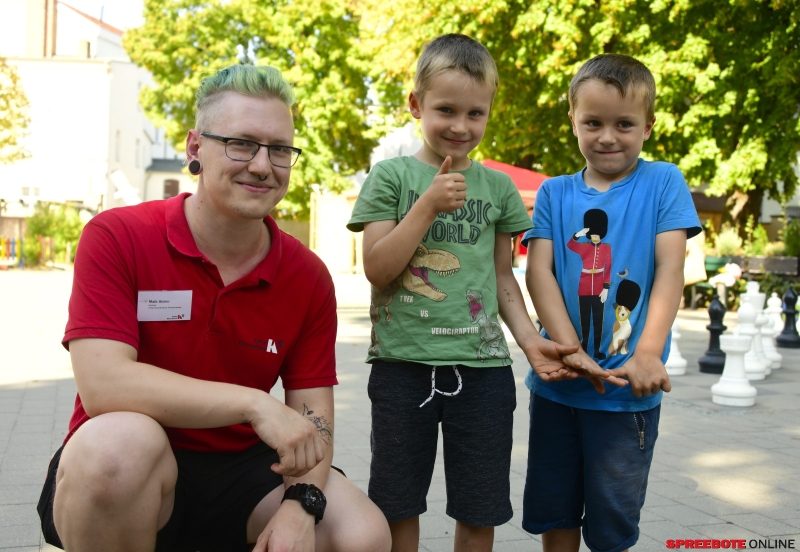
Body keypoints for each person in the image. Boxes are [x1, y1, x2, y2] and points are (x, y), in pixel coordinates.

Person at [36, 64, 391, 552]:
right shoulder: (118, 235)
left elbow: (312, 415)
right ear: (195, 147)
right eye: (241, 143)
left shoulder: (306, 275)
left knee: (361, 535)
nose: (263, 165)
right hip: (132, 459)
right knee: (117, 450)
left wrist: (300, 505)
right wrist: (253, 402)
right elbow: (103, 385)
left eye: (280, 149)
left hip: (243, 471)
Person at [346, 34, 618, 552]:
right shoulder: (391, 177)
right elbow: (378, 270)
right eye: (445, 109)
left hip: (485, 372)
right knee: (398, 502)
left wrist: (531, 340)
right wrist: (426, 205)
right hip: (403, 367)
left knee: (480, 505)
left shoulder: (496, 190)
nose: (460, 126)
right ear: (415, 105)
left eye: (476, 113)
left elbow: (502, 279)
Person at [523, 53, 702, 552]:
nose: (607, 136)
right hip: (559, 387)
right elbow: (539, 271)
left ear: (648, 126)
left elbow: (670, 267)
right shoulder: (555, 193)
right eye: (593, 122)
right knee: (555, 512)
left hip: (626, 394)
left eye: (624, 123)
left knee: (611, 524)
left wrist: (648, 351)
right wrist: (567, 346)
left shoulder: (663, 181)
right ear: (573, 122)